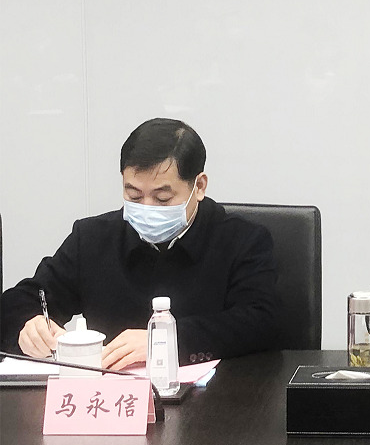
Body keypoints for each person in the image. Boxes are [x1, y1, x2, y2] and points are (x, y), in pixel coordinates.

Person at [1, 118, 281, 368]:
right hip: (110, 397)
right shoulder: (92, 239)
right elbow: (21, 301)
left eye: (162, 198)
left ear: (199, 187)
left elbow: (261, 322)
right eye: (134, 196)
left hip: (213, 400)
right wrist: (29, 326)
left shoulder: (242, 241)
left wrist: (167, 341)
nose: (147, 208)